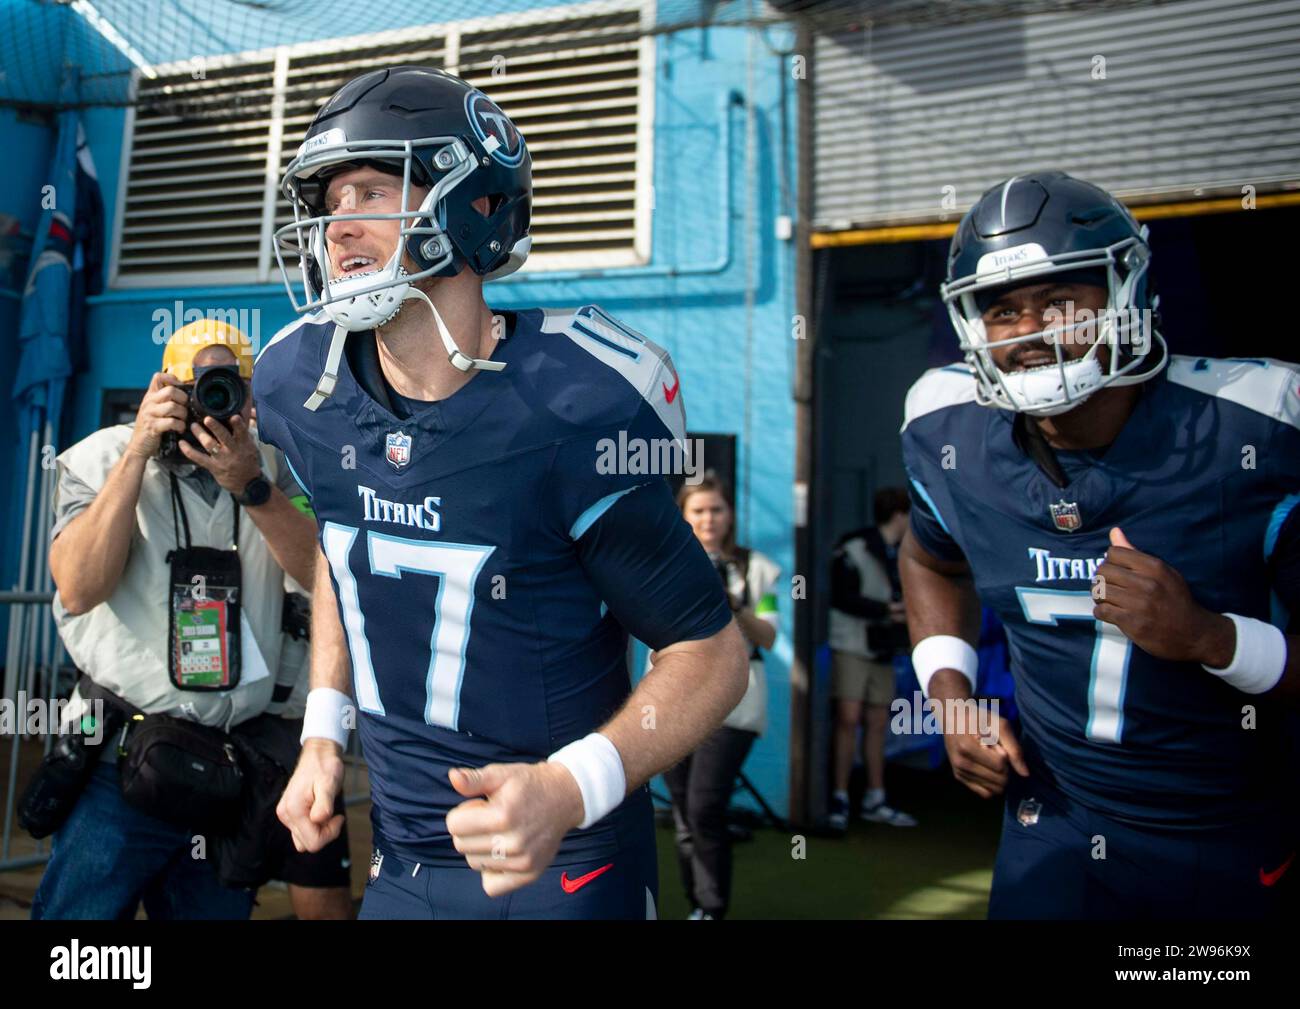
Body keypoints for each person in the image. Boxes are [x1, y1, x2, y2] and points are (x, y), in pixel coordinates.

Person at [254, 66, 748, 920]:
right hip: (403, 857)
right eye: (329, 201)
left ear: (468, 204)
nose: (338, 225)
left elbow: (713, 654)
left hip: (567, 861)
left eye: (371, 190)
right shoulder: (303, 380)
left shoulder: (575, 404)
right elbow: (342, 553)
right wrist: (322, 733)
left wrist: (568, 786)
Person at [899, 170, 1300, 919]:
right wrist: (951, 699)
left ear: (1126, 295)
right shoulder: (944, 429)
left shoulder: (1260, 428)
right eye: (1005, 310)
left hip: (1225, 832)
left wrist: (1212, 637)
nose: (1033, 330)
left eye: (1061, 300)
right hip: (1052, 818)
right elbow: (929, 557)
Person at [36, 320, 350, 920]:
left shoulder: (273, 468)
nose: (214, 404)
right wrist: (137, 452)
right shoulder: (102, 458)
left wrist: (250, 485)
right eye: (196, 387)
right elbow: (78, 587)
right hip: (118, 763)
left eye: (229, 387)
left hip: (228, 770)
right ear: (163, 389)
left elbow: (324, 576)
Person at [661, 476, 779, 919]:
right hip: (673, 698)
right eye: (699, 511)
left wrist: (734, 603)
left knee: (704, 807)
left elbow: (769, 636)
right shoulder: (663, 563)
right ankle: (698, 905)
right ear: (683, 516)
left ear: (729, 515)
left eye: (717, 510)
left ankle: (711, 908)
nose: (709, 519)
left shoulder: (757, 568)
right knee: (683, 816)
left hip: (736, 697)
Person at [827, 487, 916, 831]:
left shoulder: (907, 551)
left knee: (879, 721)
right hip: (852, 644)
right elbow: (840, 595)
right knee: (848, 718)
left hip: (883, 648)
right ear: (899, 515)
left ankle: (875, 798)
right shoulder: (854, 546)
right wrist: (886, 610)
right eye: (911, 514)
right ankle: (839, 797)